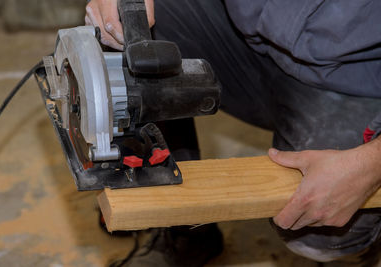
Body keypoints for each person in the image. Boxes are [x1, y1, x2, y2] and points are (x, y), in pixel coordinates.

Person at [86, 0, 381, 266]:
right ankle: (188, 232)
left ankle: (361, 245)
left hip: (358, 79)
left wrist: (371, 163)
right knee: (118, 23)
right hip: (248, 32)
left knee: (317, 231)